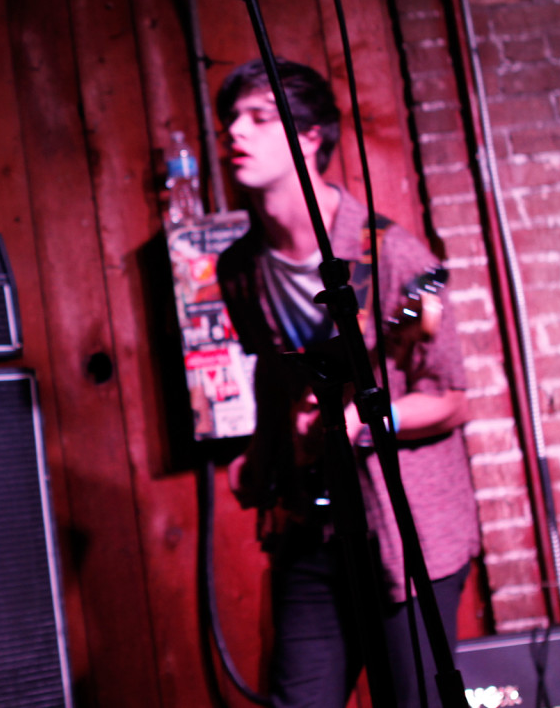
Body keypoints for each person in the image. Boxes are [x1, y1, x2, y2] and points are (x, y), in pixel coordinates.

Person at [216, 58, 479, 708]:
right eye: (229, 119)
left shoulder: (392, 255)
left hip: (404, 526)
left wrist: (364, 422)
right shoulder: (239, 269)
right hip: (313, 531)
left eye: (258, 117)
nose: (234, 132)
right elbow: (278, 379)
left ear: (310, 138)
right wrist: (261, 456)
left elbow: (451, 397)